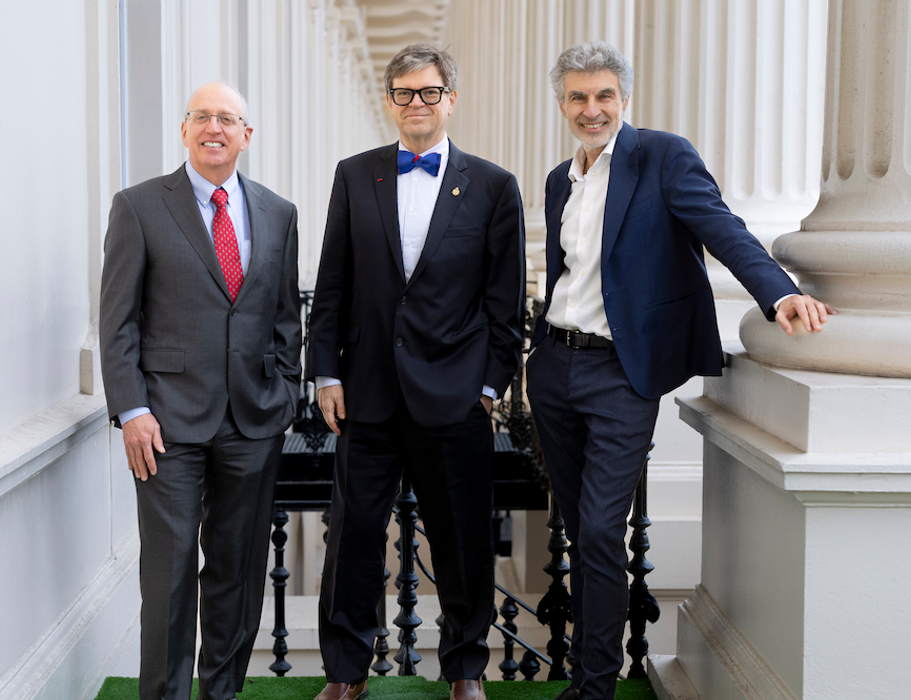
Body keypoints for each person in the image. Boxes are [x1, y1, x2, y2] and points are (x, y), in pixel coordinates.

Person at [525, 41, 834, 700]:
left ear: (624, 99)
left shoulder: (661, 157)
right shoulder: (559, 179)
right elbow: (568, 273)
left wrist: (778, 293)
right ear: (561, 104)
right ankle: (585, 674)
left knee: (601, 530)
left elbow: (723, 229)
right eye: (578, 97)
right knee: (579, 530)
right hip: (553, 368)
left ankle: (594, 686)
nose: (591, 109)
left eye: (604, 95)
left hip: (620, 375)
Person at [307, 43, 526, 700]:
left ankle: (464, 670)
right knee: (352, 537)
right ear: (390, 101)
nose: (416, 103)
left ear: (450, 100)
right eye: (404, 93)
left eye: (429, 92)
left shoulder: (493, 186)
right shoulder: (354, 175)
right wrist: (325, 374)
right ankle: (345, 673)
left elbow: (504, 303)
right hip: (365, 392)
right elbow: (333, 282)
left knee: (461, 538)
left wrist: (488, 388)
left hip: (454, 395)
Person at [100, 82, 301, 700]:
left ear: (246, 135)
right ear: (184, 129)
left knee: (238, 569)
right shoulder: (139, 206)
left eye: (228, 119)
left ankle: (222, 692)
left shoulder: (278, 212)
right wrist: (132, 409)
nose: (215, 128)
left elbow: (285, 316)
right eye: (203, 117)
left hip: (254, 419)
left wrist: (286, 390)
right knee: (169, 571)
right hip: (164, 423)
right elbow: (117, 319)